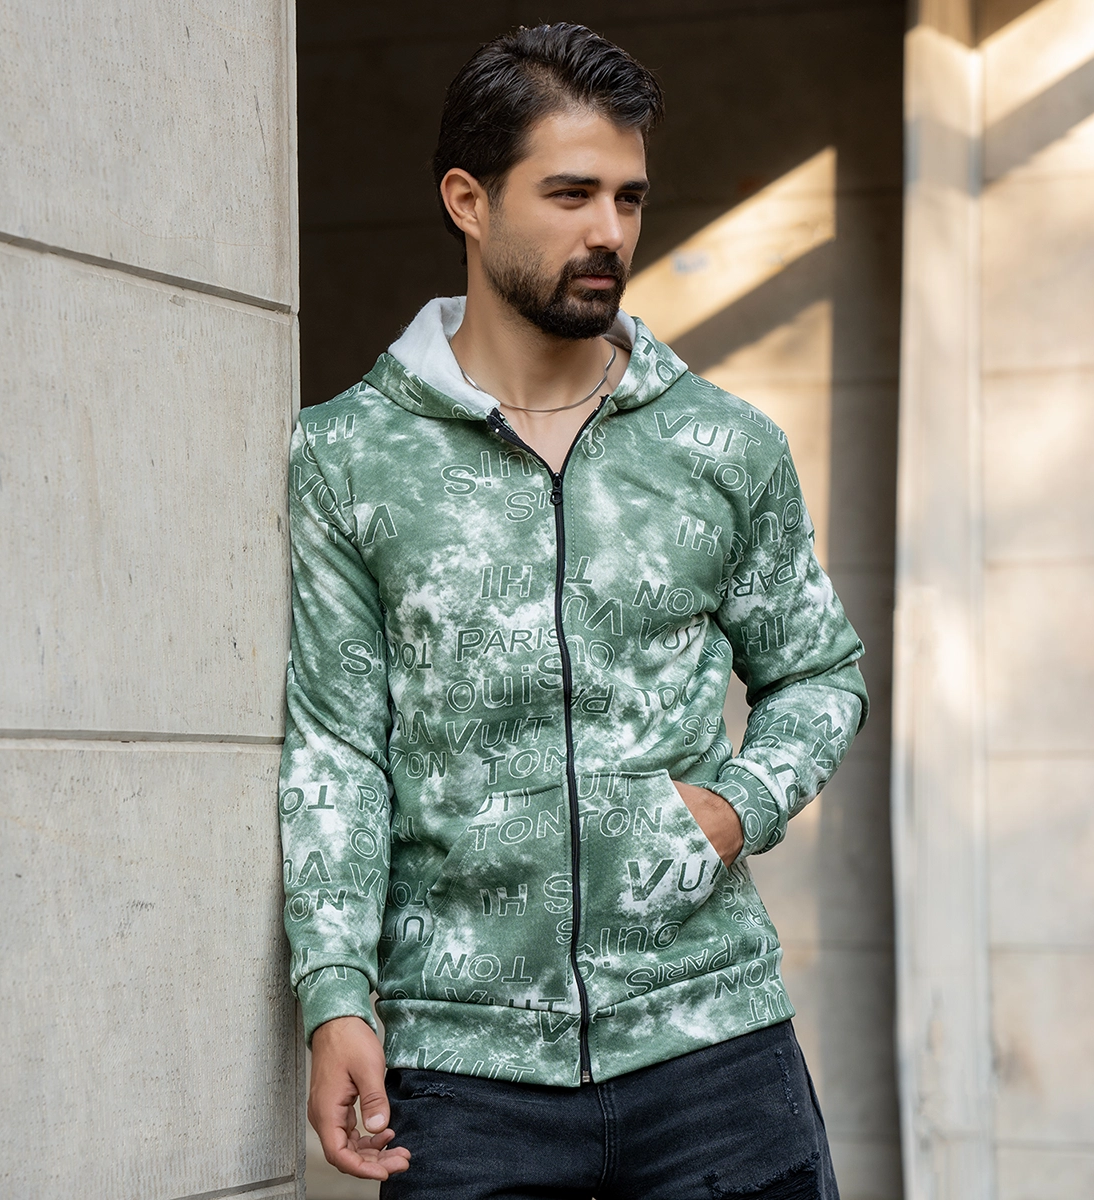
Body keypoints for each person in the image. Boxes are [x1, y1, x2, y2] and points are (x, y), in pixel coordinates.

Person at [279, 23, 867, 1199]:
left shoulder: (722, 446)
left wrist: (737, 805)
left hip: (713, 1051)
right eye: (570, 194)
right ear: (468, 200)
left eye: (628, 198)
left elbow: (820, 673)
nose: (610, 231)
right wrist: (334, 993)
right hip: (465, 1073)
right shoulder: (348, 457)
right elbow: (337, 748)